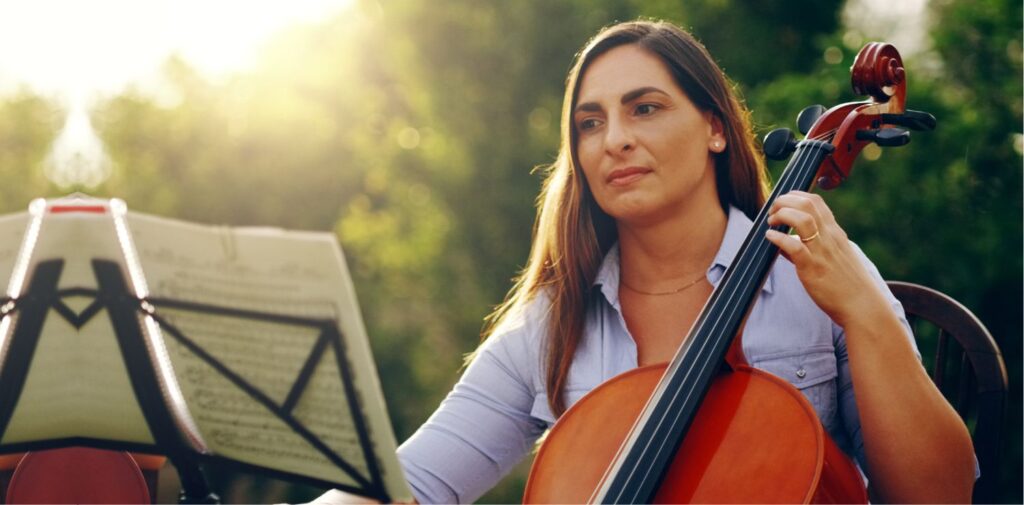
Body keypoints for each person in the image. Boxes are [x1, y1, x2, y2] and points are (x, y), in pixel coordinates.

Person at [321, 19, 976, 504]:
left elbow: (940, 494)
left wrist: (864, 309)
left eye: (645, 108)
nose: (616, 139)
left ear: (716, 128)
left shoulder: (814, 272)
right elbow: (408, 484)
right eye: (590, 122)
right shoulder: (555, 318)